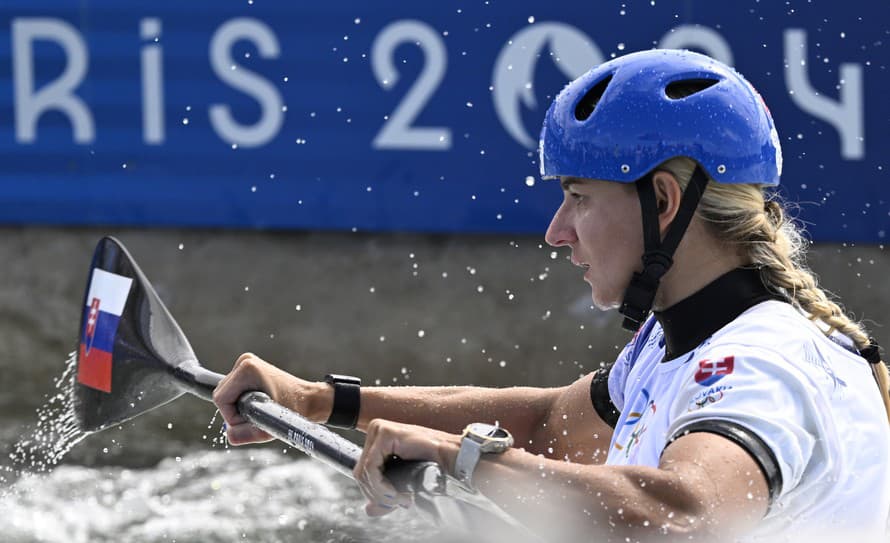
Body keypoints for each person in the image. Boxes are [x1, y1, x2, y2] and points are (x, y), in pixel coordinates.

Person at [213, 49, 890, 542]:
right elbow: (546, 422)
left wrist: (466, 460)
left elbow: (688, 508)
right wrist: (320, 400)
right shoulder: (680, 338)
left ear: (662, 200)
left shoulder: (759, 365)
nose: (555, 232)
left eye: (577, 197)